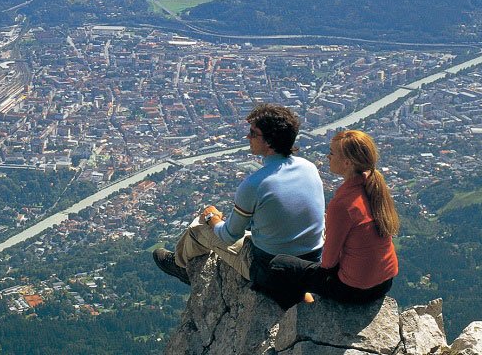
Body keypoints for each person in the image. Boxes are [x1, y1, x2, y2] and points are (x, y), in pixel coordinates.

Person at [152, 104, 325, 301]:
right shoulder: (309, 168)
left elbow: (229, 235)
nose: (247, 137)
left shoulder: (255, 184)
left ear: (269, 141)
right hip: (311, 263)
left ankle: (181, 266)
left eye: (253, 133)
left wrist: (212, 218)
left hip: (271, 269)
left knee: (198, 229)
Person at [269, 129, 399, 306]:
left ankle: (300, 309)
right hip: (384, 283)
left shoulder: (344, 204)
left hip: (354, 291)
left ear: (347, 163)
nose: (328, 157)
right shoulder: (372, 188)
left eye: (331, 153)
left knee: (279, 264)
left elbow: (328, 263)